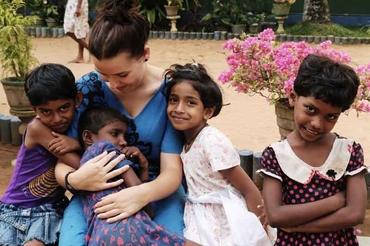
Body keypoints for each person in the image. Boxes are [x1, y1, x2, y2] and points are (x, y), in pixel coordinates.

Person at [55, 0, 186, 245]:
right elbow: (63, 164)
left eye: (122, 74)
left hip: (157, 190)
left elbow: (171, 173)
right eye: (104, 75)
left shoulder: (171, 92)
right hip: (95, 193)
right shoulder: (89, 88)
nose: (113, 84)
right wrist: (75, 180)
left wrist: (139, 194)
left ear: (145, 54)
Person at [258, 54, 368, 245]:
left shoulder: (348, 151)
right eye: (310, 109)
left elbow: (355, 213)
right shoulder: (276, 155)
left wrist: (298, 226)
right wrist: (336, 201)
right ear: (293, 98)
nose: (317, 123)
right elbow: (276, 216)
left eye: (331, 117)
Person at [166, 63, 272, 245]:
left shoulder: (211, 141)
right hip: (198, 212)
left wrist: (257, 230)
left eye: (190, 102)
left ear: (207, 111)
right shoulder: (187, 140)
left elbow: (248, 188)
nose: (179, 109)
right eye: (174, 100)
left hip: (223, 216)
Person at [77, 107, 195, 245]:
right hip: (128, 228)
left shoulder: (82, 168)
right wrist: (144, 167)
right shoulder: (106, 149)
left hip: (99, 236)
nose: (123, 141)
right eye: (115, 134)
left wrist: (142, 168)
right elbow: (144, 203)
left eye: (124, 136)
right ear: (88, 137)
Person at [0, 64, 81, 246]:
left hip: (51, 208)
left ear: (77, 99)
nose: (56, 119)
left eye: (63, 108)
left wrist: (75, 142)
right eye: (46, 111)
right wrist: (77, 144)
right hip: (17, 208)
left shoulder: (76, 125)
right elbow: (79, 164)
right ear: (34, 109)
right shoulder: (38, 128)